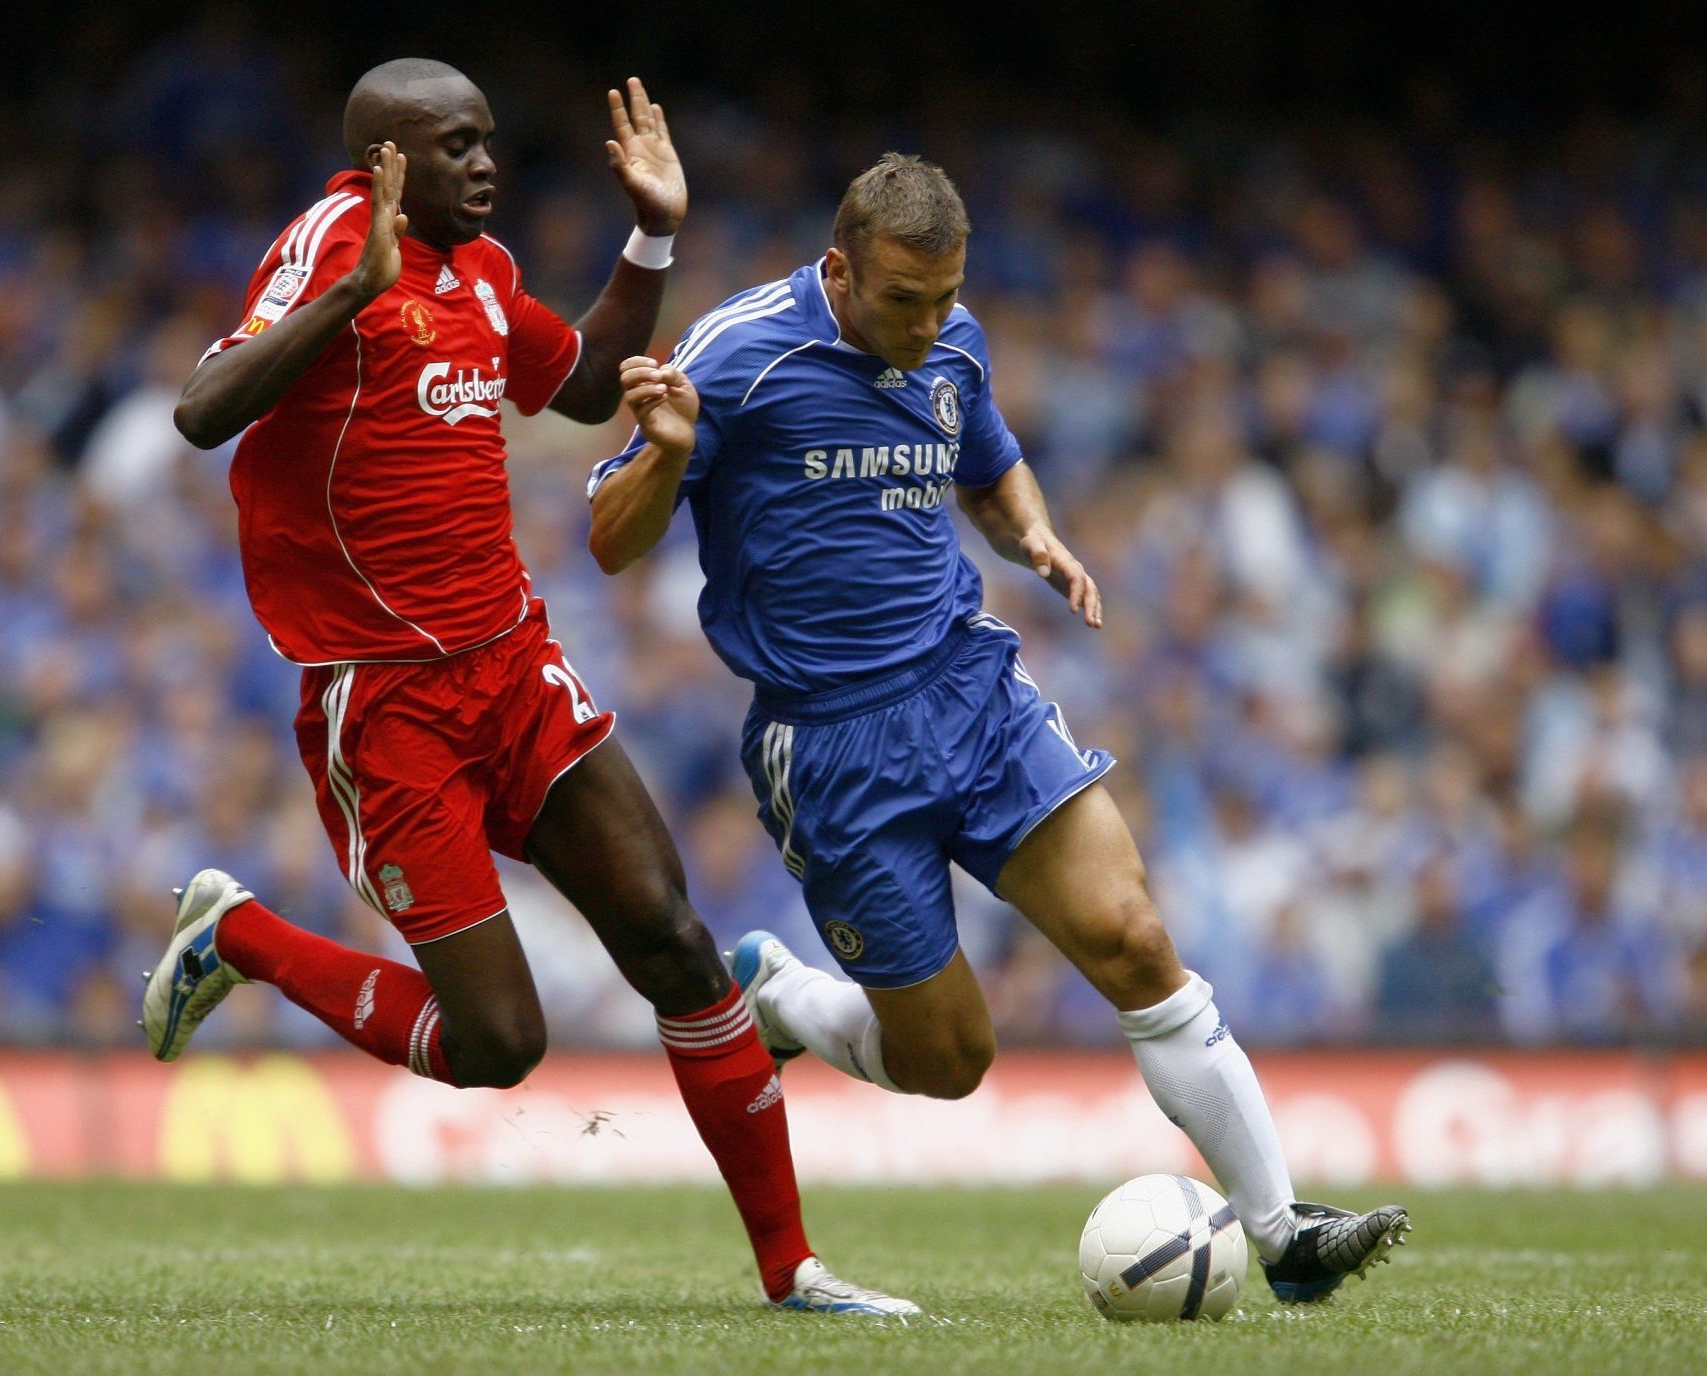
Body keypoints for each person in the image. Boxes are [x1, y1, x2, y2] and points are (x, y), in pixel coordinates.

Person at [141, 59, 914, 1317]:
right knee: (500, 1043)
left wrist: (654, 230)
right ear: (385, 160)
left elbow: (593, 380)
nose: (486, 163)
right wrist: (348, 293)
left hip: (512, 665)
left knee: (672, 934)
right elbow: (199, 409)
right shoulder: (337, 242)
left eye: (490, 140)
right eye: (456, 146)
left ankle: (795, 1270)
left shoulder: (484, 273)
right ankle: (240, 937)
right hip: (383, 704)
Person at [587, 152, 1411, 1302]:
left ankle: (1283, 1236)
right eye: (903, 302)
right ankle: (779, 994)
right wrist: (668, 454)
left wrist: (1034, 534)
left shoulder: (953, 340)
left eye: (945, 298)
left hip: (971, 692)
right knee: (949, 1059)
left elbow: (989, 463)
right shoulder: (736, 356)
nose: (930, 327)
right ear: (838, 268)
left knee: (1131, 938)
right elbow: (610, 541)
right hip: (830, 746)